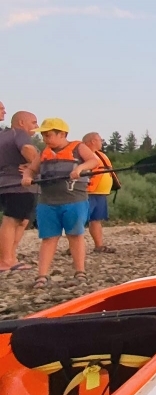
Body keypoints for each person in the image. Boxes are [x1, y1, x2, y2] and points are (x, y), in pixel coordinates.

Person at [21, 118, 99, 287]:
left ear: (62, 134)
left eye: (48, 135)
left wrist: (79, 169)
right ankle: (42, 276)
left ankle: (80, 272)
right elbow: (31, 169)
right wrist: (27, 177)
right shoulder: (44, 153)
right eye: (43, 136)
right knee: (48, 238)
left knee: (75, 235)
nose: (45, 139)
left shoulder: (78, 147)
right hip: (47, 202)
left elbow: (94, 161)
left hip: (74, 200)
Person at [0, 111, 39, 272]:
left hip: (5, 185)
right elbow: (28, 150)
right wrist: (36, 166)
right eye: (34, 122)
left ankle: (10, 256)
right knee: (12, 221)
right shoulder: (19, 133)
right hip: (18, 185)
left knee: (21, 221)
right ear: (21, 122)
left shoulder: (3, 136)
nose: (37, 127)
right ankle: (6, 260)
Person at [82, 132, 119, 253]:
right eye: (100, 140)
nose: (101, 142)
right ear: (92, 141)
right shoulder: (82, 155)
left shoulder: (101, 155)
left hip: (100, 193)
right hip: (87, 193)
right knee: (80, 221)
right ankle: (74, 247)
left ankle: (99, 246)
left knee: (96, 220)